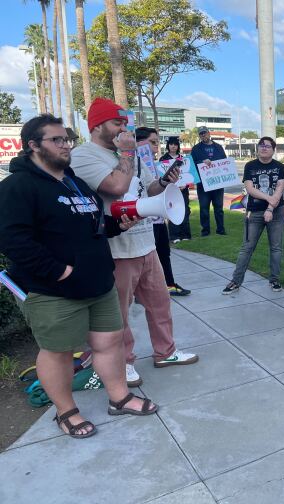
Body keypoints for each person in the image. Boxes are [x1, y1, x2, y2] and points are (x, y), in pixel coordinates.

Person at [0, 114, 158, 438]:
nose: (65, 145)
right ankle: (66, 412)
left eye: (66, 139)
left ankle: (119, 397)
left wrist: (116, 225)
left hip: (97, 282)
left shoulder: (73, 181)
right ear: (32, 145)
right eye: (56, 140)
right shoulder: (18, 186)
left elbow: (93, 223)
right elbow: (11, 238)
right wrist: (57, 271)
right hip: (53, 289)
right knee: (57, 351)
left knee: (110, 341)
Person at [71, 97, 198, 387]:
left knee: (160, 303)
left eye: (125, 123)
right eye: (117, 123)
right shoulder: (85, 155)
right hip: (116, 248)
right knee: (119, 313)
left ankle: (166, 352)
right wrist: (127, 153)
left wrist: (164, 181)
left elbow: (147, 189)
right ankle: (123, 362)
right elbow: (116, 187)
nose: (123, 129)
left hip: (145, 242)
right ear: (97, 125)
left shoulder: (132, 156)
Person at [223, 137, 284, 294]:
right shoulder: (250, 166)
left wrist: (270, 209)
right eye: (261, 146)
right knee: (247, 247)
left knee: (276, 248)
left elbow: (279, 189)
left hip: (276, 212)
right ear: (257, 148)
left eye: (268, 146)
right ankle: (235, 281)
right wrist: (268, 199)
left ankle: (275, 280)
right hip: (255, 212)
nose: (264, 148)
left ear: (273, 150)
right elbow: (250, 189)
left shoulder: (280, 167)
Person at [136, 127, 190, 297]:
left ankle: (169, 284)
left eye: (157, 143)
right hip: (144, 221)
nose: (156, 147)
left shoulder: (153, 164)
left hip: (158, 218)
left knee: (164, 254)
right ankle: (144, 291)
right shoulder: (132, 164)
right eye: (152, 142)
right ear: (138, 142)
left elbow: (156, 188)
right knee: (147, 259)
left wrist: (166, 181)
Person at [190, 126, 227, 236]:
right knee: (204, 208)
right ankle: (205, 231)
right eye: (201, 134)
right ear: (199, 135)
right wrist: (202, 162)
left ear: (209, 133)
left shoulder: (219, 147)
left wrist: (214, 162)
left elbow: (225, 162)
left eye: (204, 133)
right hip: (203, 184)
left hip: (217, 183)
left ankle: (221, 229)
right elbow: (192, 164)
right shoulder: (196, 149)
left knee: (219, 208)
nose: (203, 135)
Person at [160, 136, 192, 243]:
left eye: (175, 144)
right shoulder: (163, 159)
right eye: (171, 144)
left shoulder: (183, 159)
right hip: (170, 190)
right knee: (172, 210)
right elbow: (161, 177)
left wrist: (186, 185)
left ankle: (186, 234)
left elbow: (188, 175)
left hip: (183, 190)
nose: (173, 146)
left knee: (185, 211)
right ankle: (174, 236)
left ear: (178, 146)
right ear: (168, 145)